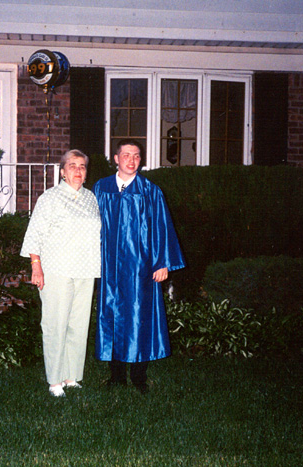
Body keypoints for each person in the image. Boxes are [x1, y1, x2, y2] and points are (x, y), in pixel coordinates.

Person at [93, 139, 185, 394]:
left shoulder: (150, 191)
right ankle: (116, 376)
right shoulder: (102, 188)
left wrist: (162, 262)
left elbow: (162, 227)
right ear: (115, 158)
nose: (131, 160)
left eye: (136, 156)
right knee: (111, 316)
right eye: (126, 155)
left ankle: (139, 377)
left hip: (140, 269)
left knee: (139, 319)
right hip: (110, 267)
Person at [20, 149, 101, 397]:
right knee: (56, 325)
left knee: (78, 324)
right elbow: (35, 234)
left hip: (85, 270)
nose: (78, 170)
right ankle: (54, 381)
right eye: (72, 166)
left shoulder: (91, 198)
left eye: (82, 166)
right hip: (57, 270)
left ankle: (71, 376)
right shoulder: (50, 198)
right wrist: (36, 266)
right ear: (63, 171)